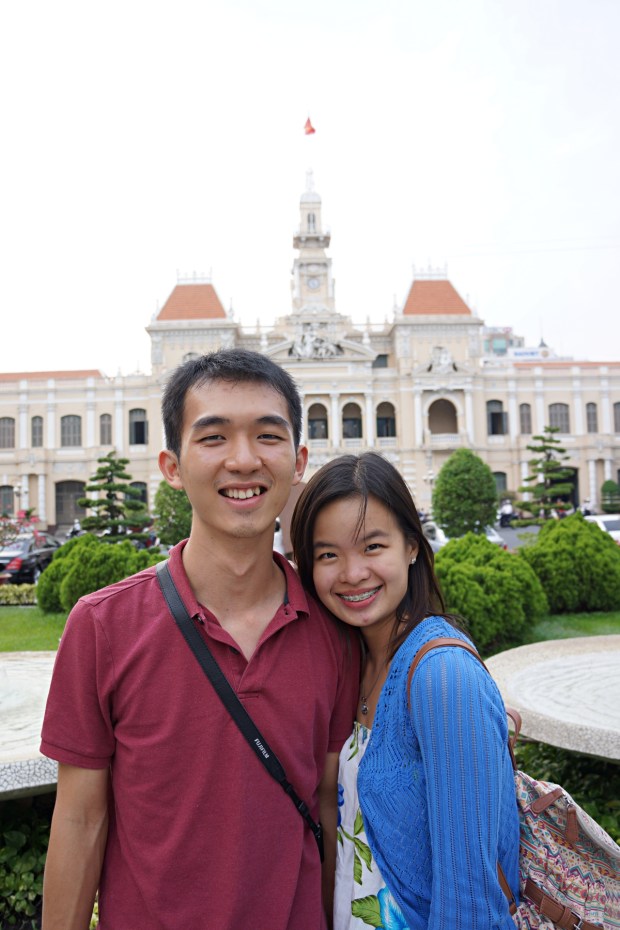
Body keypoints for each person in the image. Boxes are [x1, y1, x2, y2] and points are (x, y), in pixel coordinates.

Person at [40, 348, 359, 930]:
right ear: (171, 465)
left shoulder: (334, 630)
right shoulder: (103, 626)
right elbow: (81, 821)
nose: (243, 460)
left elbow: (328, 803)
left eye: (268, 436)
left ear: (299, 459)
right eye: (213, 438)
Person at [290, 452, 520, 930]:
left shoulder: (442, 677)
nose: (352, 574)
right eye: (328, 554)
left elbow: (471, 908)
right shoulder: (350, 662)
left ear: (412, 546)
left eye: (373, 547)